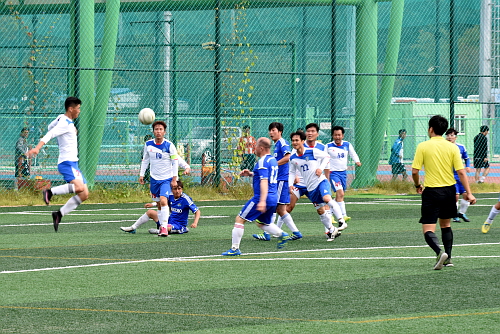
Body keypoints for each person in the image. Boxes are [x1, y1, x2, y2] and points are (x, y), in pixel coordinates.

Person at [412, 115, 476, 270]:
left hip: (431, 191)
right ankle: (449, 258)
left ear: (431, 129)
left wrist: (417, 185)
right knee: (446, 225)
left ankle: (439, 252)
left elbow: (414, 171)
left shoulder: (423, 146)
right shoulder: (453, 147)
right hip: (449, 191)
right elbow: (461, 172)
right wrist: (469, 192)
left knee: (428, 229)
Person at [27, 97, 89, 232]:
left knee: (84, 194)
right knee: (78, 188)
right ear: (71, 109)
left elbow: (50, 126)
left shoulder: (62, 118)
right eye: (78, 108)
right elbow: (51, 133)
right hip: (67, 162)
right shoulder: (65, 123)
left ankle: (58, 214)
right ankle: (49, 192)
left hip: (73, 163)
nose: (79, 111)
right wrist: (37, 148)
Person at [222, 137, 289, 256]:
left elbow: (264, 181)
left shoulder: (262, 161)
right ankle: (281, 234)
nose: (254, 149)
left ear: (261, 148)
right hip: (273, 198)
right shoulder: (273, 160)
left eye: (256, 146)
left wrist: (262, 201)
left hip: (262, 197)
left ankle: (234, 249)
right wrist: (252, 174)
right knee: (261, 223)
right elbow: (266, 176)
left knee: (239, 219)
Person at [253, 122, 302, 241]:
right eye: (270, 130)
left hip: (281, 180)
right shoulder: (277, 144)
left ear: (280, 132)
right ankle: (295, 232)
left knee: (274, 207)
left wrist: (273, 164)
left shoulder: (282, 143)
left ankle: (267, 233)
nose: (271, 133)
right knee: (280, 209)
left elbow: (288, 157)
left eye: (273, 130)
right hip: (279, 179)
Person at [288, 130, 341, 241]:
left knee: (323, 207)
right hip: (301, 185)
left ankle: (333, 226)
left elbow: (326, 158)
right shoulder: (293, 156)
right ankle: (331, 229)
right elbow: (292, 171)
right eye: (293, 140)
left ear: (303, 141)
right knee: (288, 206)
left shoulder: (314, 150)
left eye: (297, 140)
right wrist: (290, 184)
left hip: (315, 184)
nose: (294, 142)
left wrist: (321, 170)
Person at [139, 120, 179, 237]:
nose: (158, 131)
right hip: (154, 179)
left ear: (164, 132)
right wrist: (141, 174)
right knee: (159, 205)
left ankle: (164, 228)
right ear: (153, 131)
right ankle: (161, 226)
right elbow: (145, 160)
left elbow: (175, 162)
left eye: (161, 129)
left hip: (166, 178)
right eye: (156, 129)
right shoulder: (148, 144)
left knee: (163, 200)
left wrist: (174, 179)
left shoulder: (169, 145)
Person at [120, 180, 200, 234]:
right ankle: (133, 228)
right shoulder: (171, 196)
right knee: (150, 212)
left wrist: (195, 223)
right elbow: (163, 202)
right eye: (175, 189)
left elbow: (197, 211)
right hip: (169, 220)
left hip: (178, 224)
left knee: (166, 228)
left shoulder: (185, 199)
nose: (177, 191)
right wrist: (153, 204)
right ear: (172, 189)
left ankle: (159, 231)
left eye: (179, 189)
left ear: (182, 189)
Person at [325, 126, 361, 228]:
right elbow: (323, 157)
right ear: (332, 136)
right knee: (340, 193)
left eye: (339, 135)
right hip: (333, 173)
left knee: (340, 196)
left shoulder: (347, 145)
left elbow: (353, 154)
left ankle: (330, 215)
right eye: (335, 135)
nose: (337, 137)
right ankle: (343, 215)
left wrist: (357, 161)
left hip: (343, 173)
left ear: (342, 135)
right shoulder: (328, 146)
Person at [445, 128, 472, 223]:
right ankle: (454, 214)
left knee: (466, 196)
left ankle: (461, 213)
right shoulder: (443, 147)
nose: (449, 137)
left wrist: (468, 166)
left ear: (455, 137)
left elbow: (467, 158)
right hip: (450, 175)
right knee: (455, 196)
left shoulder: (461, 147)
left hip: (460, 175)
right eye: (447, 135)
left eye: (451, 135)